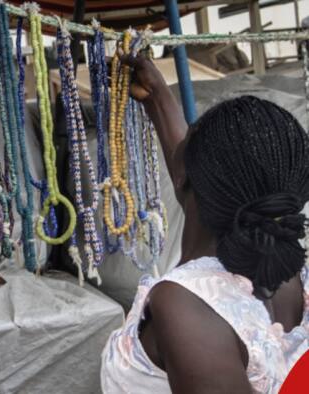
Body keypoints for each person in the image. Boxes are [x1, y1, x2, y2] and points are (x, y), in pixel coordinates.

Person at [100, 53, 309, 393]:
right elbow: (207, 179)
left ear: (184, 176)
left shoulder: (186, 306)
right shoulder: (287, 275)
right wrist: (157, 97)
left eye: (190, 137)